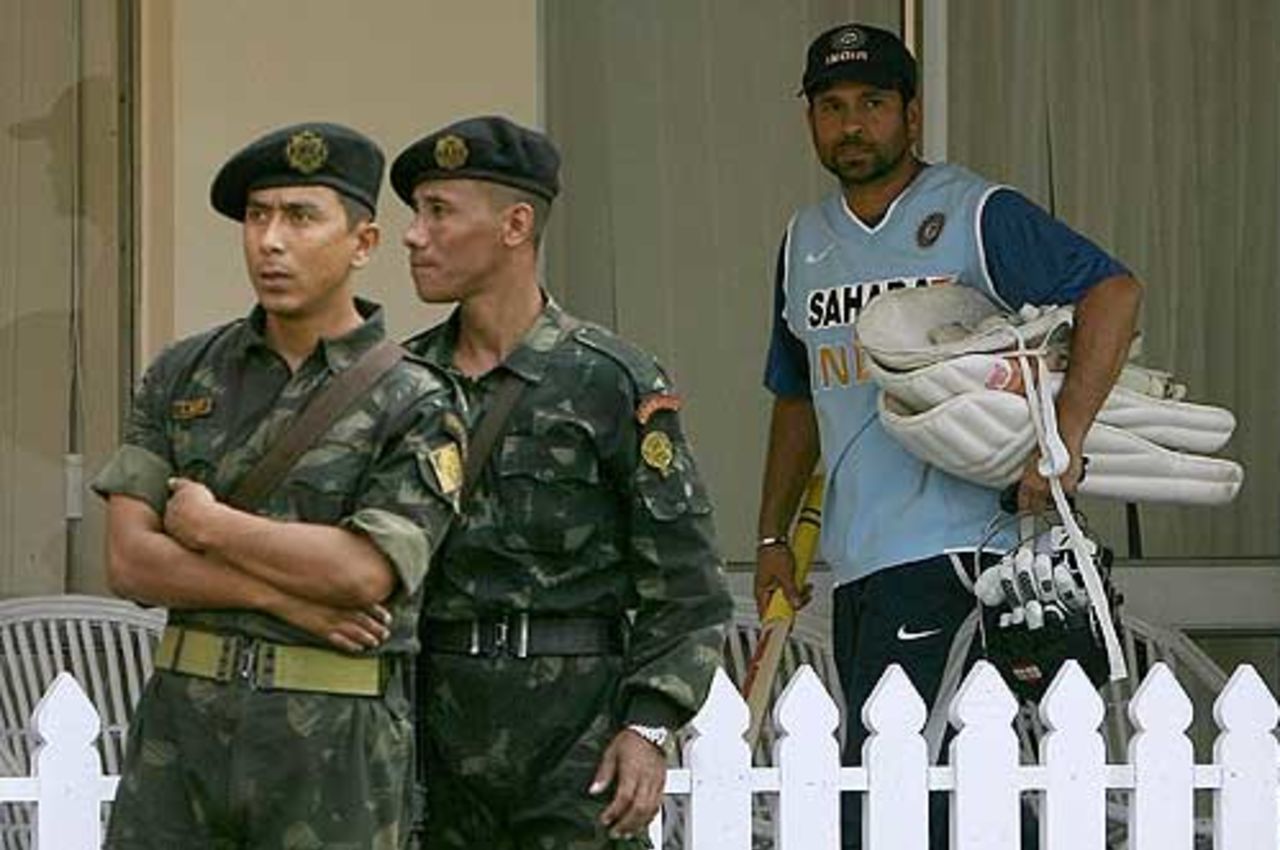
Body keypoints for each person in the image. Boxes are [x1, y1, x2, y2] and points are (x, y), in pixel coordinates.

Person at [752, 24, 1143, 849]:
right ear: (810, 120)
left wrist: (1062, 439)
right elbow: (797, 396)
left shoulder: (975, 213)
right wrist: (770, 535)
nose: (852, 124)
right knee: (947, 797)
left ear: (912, 113)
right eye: (832, 107)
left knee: (908, 804)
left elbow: (1113, 290)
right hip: (861, 561)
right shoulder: (804, 243)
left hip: (961, 554)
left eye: (872, 104)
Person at [92, 122, 465, 850]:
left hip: (333, 743)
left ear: (362, 243)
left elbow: (364, 571)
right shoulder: (183, 374)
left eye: (300, 217)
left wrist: (212, 528)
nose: (269, 240)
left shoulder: (414, 400)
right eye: (257, 216)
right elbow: (130, 563)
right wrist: (282, 594)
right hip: (183, 734)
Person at [391, 115, 733, 848]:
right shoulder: (401, 386)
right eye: (414, 213)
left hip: (578, 739)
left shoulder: (610, 380)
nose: (413, 235)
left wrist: (649, 725)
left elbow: (688, 584)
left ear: (516, 225)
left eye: (439, 212)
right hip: (434, 739)